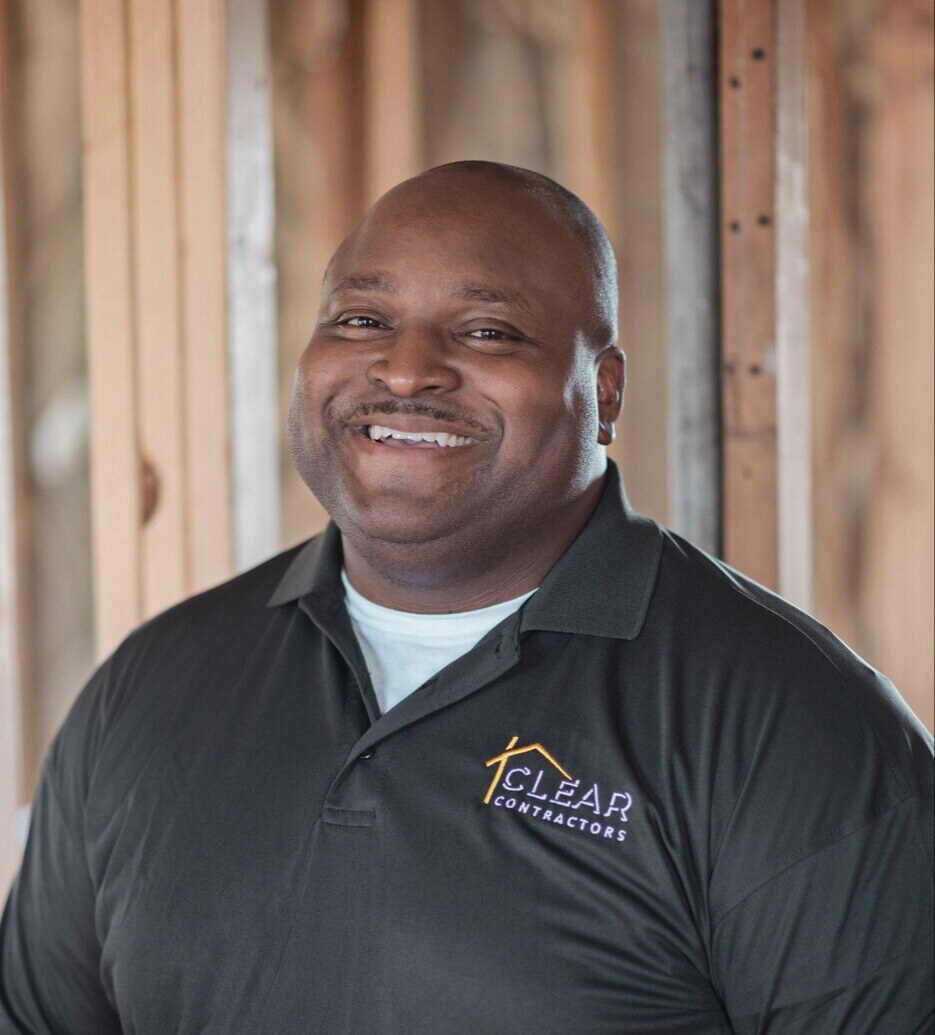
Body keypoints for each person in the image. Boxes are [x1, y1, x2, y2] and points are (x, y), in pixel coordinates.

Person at [0, 161, 932, 1034]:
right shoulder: (151, 687)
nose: (406, 370)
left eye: (486, 332)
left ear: (604, 393)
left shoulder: (795, 726)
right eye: (361, 319)